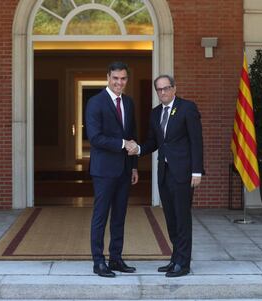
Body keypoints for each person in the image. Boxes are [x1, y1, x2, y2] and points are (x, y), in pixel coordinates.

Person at [127, 74, 204, 277]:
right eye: (159, 89)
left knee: (182, 218)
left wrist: (197, 171)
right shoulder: (155, 114)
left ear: (174, 88)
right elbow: (154, 142)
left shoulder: (187, 108)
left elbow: (196, 141)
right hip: (164, 173)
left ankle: (184, 263)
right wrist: (139, 149)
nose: (163, 92)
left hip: (184, 173)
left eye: (166, 88)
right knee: (170, 218)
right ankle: (175, 259)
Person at [85, 61, 139, 278]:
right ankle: (98, 262)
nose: (119, 82)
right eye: (115, 78)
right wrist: (122, 144)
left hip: (125, 170)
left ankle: (115, 258)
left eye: (123, 78)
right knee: (101, 216)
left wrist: (134, 166)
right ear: (108, 77)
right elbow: (95, 137)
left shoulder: (129, 102)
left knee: (119, 216)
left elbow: (132, 134)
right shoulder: (95, 102)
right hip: (104, 170)